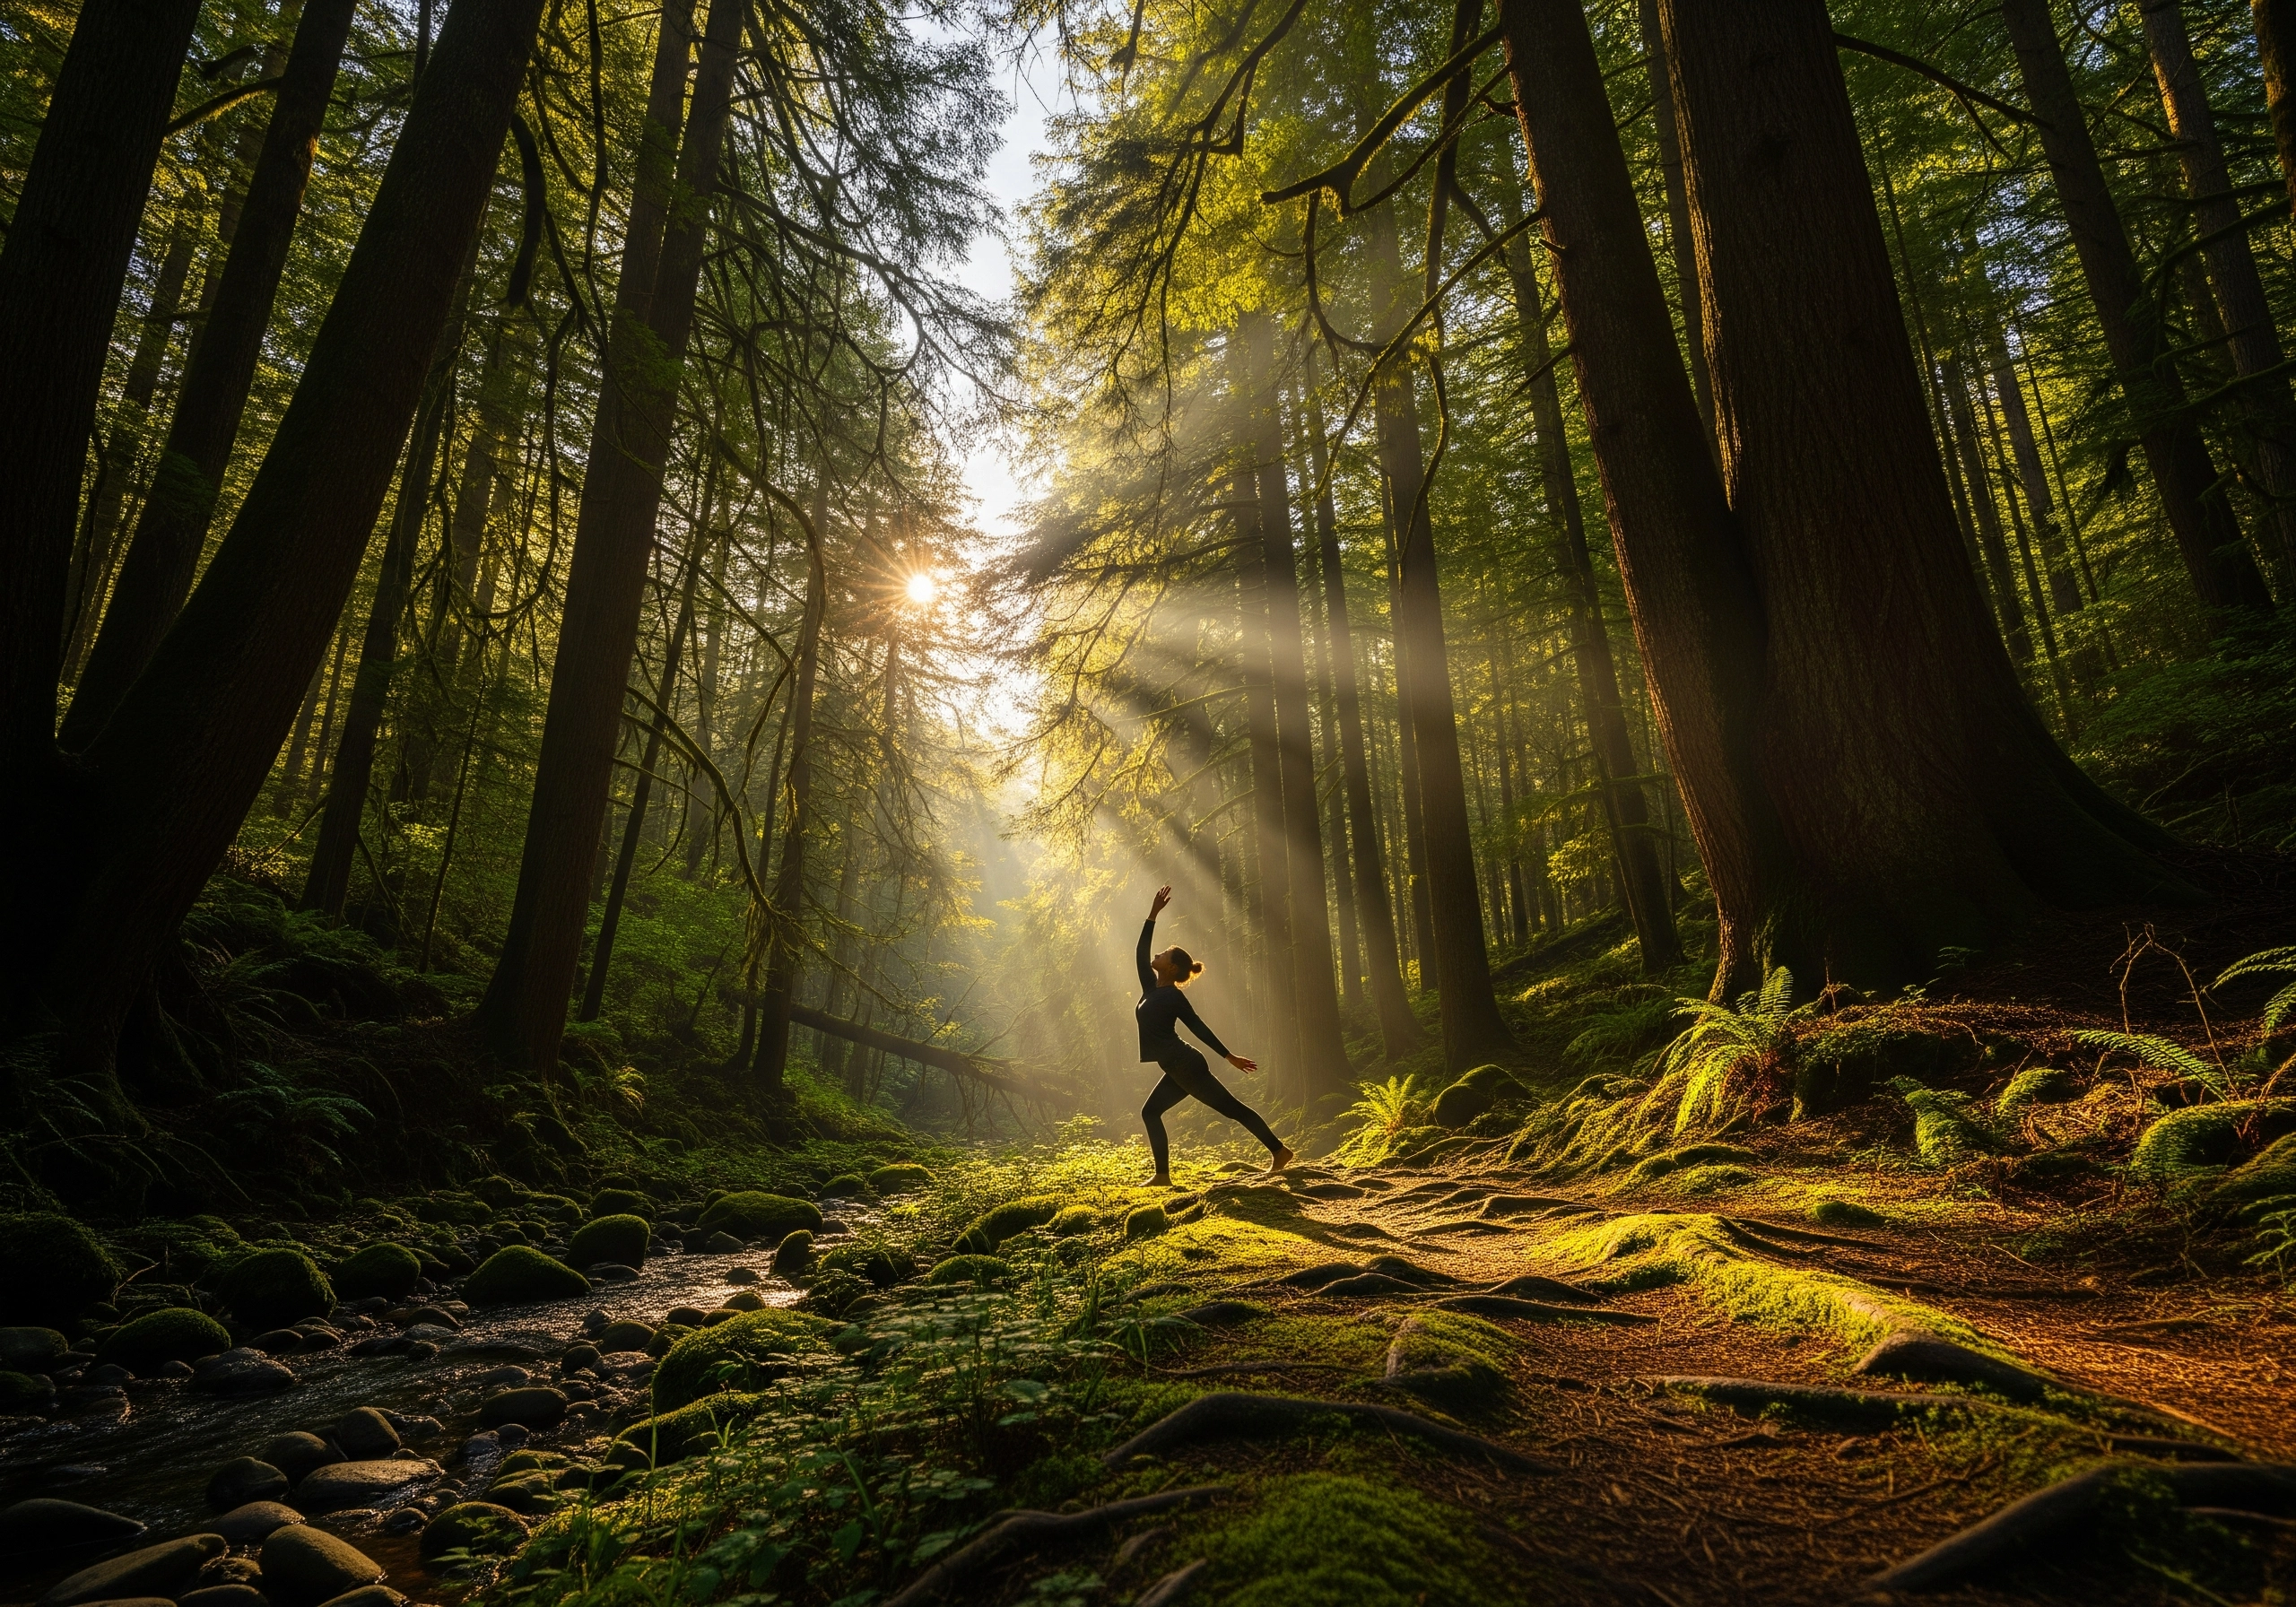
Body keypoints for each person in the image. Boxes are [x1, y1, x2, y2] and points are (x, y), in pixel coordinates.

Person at [1134, 884, 1292, 1186]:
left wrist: (1229, 1056)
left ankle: (1279, 1151)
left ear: (1172, 966)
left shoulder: (1174, 997)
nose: (1157, 953)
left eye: (1164, 953)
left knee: (1231, 1109)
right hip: (1176, 1066)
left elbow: (1197, 1027)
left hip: (1186, 1065)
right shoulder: (1150, 988)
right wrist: (1152, 915)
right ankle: (1162, 1177)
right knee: (1151, 1112)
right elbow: (1141, 952)